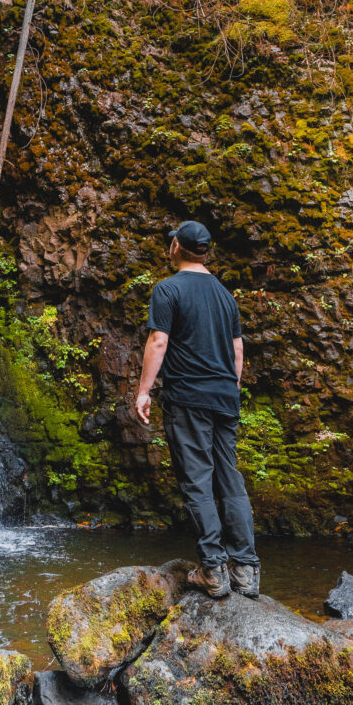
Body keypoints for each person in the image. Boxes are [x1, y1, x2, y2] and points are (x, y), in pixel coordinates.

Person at [135, 220, 260, 599]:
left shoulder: (168, 289)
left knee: (196, 479)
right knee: (229, 478)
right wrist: (229, 389)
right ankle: (246, 570)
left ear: (177, 247)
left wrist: (144, 391)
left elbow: (158, 342)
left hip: (188, 396)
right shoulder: (225, 294)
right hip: (226, 396)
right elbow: (238, 350)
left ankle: (213, 570)